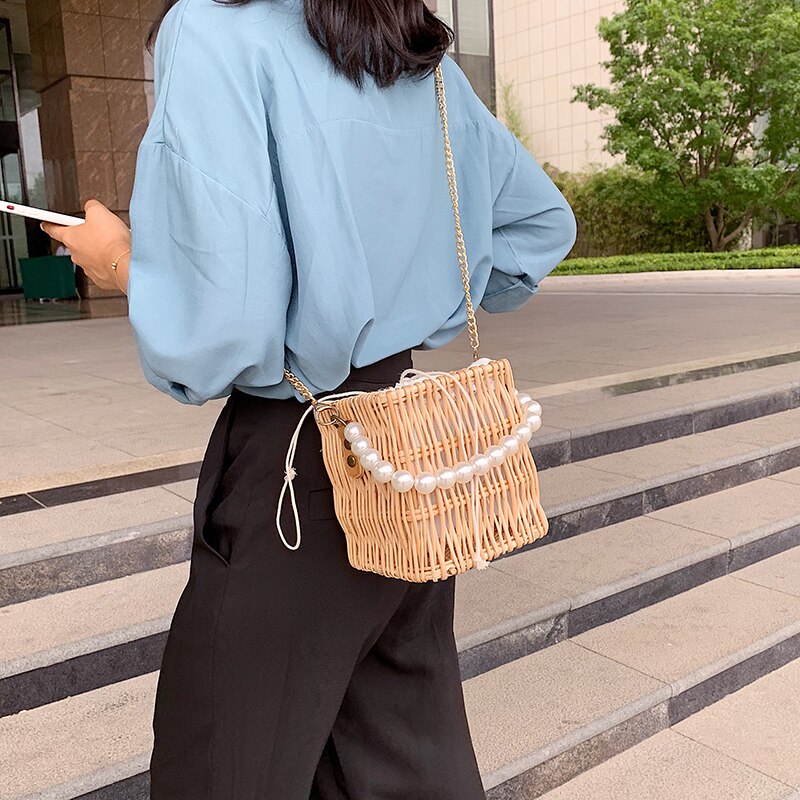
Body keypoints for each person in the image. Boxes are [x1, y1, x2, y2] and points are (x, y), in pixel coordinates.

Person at [41, 0, 577, 797]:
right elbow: (538, 224)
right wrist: (418, 294)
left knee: (223, 769)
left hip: (297, 458)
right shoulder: (412, 47)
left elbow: (219, 327)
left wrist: (121, 260)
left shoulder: (215, 28)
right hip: (410, 447)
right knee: (403, 758)